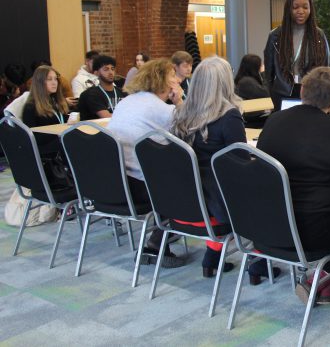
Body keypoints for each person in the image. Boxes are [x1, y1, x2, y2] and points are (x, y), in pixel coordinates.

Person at [257, 67, 330, 304]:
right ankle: (327, 276)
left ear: (302, 90)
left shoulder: (273, 121)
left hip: (271, 225)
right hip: (318, 232)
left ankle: (323, 280)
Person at [170, 56, 280, 282]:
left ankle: (212, 259)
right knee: (268, 191)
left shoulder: (182, 113)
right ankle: (258, 263)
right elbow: (239, 164)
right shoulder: (228, 115)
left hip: (189, 198)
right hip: (219, 201)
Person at [109, 58, 186, 268]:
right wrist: (179, 100)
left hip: (116, 181)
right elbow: (191, 126)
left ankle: (163, 233)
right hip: (139, 186)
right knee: (183, 185)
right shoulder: (160, 109)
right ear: (163, 81)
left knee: (167, 174)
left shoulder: (126, 102)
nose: (178, 79)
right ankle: (155, 245)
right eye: (173, 76)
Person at [263, 0, 330, 111]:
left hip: (311, 92)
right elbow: (269, 71)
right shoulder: (276, 35)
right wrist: (273, 94)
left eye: (305, 7)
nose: (301, 11)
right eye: (295, 7)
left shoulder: (319, 35)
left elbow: (325, 67)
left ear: (311, 9)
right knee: (287, 128)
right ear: (289, 9)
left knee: (308, 128)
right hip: (283, 92)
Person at [22, 65, 70, 155]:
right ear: (40, 82)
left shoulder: (57, 102)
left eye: (55, 79)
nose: (54, 83)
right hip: (45, 149)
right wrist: (58, 132)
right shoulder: (31, 107)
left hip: (61, 142)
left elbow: (63, 121)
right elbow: (32, 137)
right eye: (49, 79)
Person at [78, 55, 125, 120]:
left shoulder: (123, 93)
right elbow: (107, 117)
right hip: (96, 129)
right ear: (96, 73)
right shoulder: (91, 94)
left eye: (112, 69)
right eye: (106, 69)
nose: (110, 72)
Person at [234, 54, 269, 128]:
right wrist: (264, 73)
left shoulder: (245, 80)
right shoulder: (247, 82)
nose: (261, 66)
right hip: (251, 119)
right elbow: (266, 93)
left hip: (251, 116)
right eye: (260, 65)